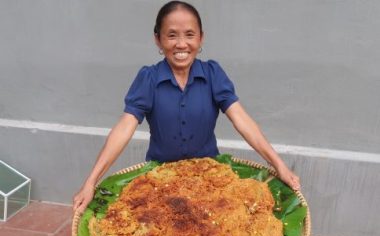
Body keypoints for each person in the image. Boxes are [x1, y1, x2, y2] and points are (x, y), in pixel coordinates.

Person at [73, 0, 300, 213]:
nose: (181, 44)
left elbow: (241, 119)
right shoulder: (148, 79)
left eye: (189, 35)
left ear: (201, 38)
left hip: (210, 181)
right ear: (158, 39)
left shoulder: (213, 74)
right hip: (160, 181)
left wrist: (279, 164)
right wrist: (91, 181)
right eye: (171, 35)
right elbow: (124, 127)